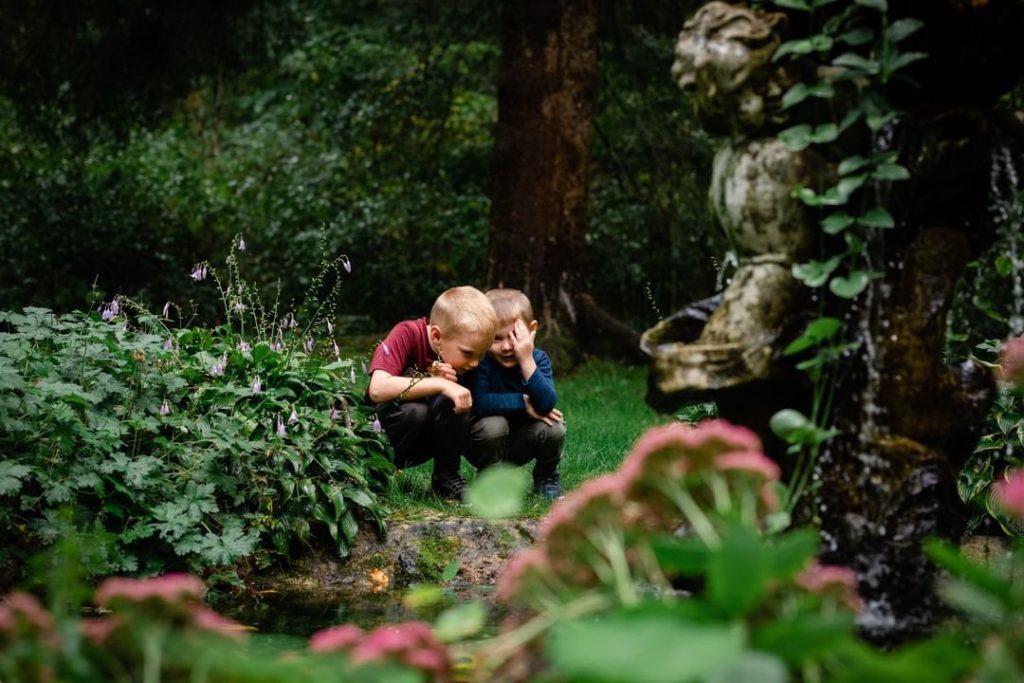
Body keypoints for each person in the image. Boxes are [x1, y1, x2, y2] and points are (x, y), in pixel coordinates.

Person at [366, 286, 498, 500]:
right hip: (382, 433)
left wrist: (531, 405)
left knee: (455, 398)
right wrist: (438, 384)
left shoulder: (463, 361)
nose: (475, 363)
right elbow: (377, 390)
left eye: (481, 355)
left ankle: (446, 479)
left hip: (425, 440)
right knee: (415, 410)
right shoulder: (407, 333)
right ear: (437, 335)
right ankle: (375, 475)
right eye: (468, 353)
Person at [466, 288, 566, 499]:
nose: (506, 347)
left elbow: (546, 404)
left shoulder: (537, 360)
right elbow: (477, 402)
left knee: (554, 427)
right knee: (494, 424)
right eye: (496, 339)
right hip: (485, 443)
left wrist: (526, 360)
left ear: (532, 330)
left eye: (513, 336)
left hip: (522, 441)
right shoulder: (482, 362)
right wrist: (522, 402)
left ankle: (547, 477)